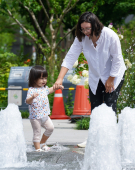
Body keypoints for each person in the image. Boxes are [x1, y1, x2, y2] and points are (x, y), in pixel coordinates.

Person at [53, 12, 126, 147]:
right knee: (95, 107)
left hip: (113, 75)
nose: (85, 31)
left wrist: (110, 79)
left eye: (88, 28)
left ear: (95, 25)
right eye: (83, 28)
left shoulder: (110, 36)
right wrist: (59, 78)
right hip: (95, 77)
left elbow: (118, 60)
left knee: (109, 105)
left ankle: (110, 141)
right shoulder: (81, 38)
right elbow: (70, 57)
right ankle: (93, 139)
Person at [26, 65, 64, 152]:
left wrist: (57, 87)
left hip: (44, 115)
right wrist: (32, 97)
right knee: (37, 132)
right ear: (34, 79)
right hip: (35, 117)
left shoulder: (44, 88)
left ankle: (42, 143)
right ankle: (37, 148)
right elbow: (28, 101)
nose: (44, 80)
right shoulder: (31, 90)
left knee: (50, 128)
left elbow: (50, 90)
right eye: (41, 78)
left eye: (45, 78)